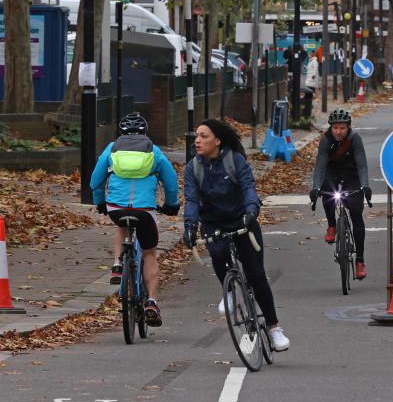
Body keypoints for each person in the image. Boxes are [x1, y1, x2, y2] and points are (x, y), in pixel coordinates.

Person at [182, 119, 290, 351]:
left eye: (203, 136)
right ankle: (229, 291)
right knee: (218, 253)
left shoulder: (235, 160)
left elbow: (248, 187)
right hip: (213, 222)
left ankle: (273, 329)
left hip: (242, 219)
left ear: (218, 141)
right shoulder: (193, 168)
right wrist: (189, 226)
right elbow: (191, 200)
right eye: (196, 136)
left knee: (256, 275)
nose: (197, 141)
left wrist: (252, 211)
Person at [90, 112, 179, 327]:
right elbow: (171, 183)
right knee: (149, 253)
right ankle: (151, 301)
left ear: (120, 133)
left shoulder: (111, 149)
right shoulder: (155, 152)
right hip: (145, 210)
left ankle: (117, 265)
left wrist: (101, 202)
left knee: (121, 226)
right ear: (145, 132)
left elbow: (96, 180)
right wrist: (171, 205)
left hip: (116, 208)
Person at [309, 109, 373, 279]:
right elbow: (320, 165)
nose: (338, 131)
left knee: (356, 214)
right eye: (335, 128)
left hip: (352, 175)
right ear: (331, 128)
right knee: (327, 191)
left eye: (342, 128)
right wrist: (315, 187)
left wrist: (365, 186)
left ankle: (360, 261)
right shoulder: (326, 140)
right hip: (332, 173)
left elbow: (362, 165)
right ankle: (332, 226)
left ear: (348, 128)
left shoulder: (354, 139)